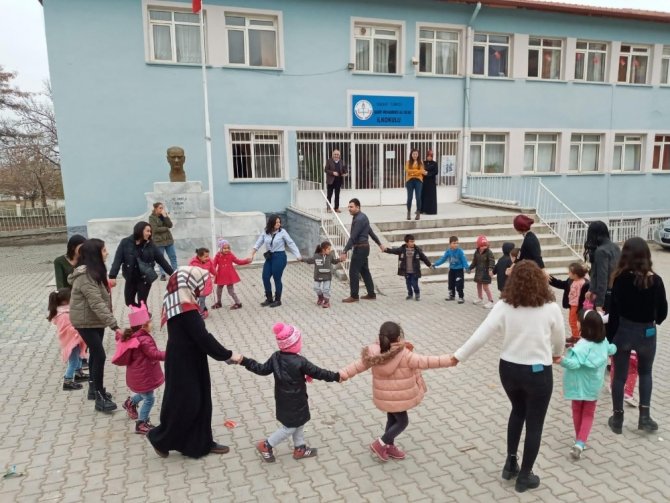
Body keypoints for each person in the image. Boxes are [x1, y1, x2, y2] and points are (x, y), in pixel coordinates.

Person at [452, 261, 565, 493]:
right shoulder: (551, 307)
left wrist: (458, 356)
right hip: (538, 372)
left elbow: (480, 335)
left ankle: (510, 463)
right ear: (540, 281)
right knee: (535, 424)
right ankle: (525, 476)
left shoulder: (504, 305)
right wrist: (557, 354)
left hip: (509, 370)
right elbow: (559, 338)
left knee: (518, 411)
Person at [147, 266, 242, 458]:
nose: (203, 287)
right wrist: (228, 355)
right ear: (189, 283)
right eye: (201, 283)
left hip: (186, 358)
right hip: (184, 363)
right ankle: (161, 439)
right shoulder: (186, 310)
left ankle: (199, 443)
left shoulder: (177, 302)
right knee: (189, 403)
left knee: (195, 401)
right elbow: (203, 338)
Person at [339, 321, 455, 462]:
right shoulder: (405, 355)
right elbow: (427, 361)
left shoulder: (373, 353)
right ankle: (380, 444)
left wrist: (342, 374)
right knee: (402, 422)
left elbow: (357, 366)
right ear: (399, 337)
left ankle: (389, 446)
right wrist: (451, 360)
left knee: (392, 419)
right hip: (398, 398)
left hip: (385, 397)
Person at [242, 322, 341, 462]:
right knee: (289, 427)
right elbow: (318, 372)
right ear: (293, 344)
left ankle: (300, 448)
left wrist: (245, 361)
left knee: (300, 422)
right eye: (299, 341)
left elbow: (262, 369)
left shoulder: (276, 357)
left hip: (284, 399)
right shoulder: (300, 361)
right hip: (295, 400)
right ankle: (266, 445)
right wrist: (336, 376)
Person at [607, 237, 667, 434]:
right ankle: (644, 417)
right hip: (646, 333)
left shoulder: (619, 279)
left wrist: (610, 338)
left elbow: (614, 312)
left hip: (623, 331)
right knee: (646, 373)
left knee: (619, 376)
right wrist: (653, 320)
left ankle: (617, 418)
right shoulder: (655, 280)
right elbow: (663, 312)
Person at [69, 238, 123, 412]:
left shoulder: (95, 271)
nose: (107, 253)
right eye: (104, 250)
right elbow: (97, 303)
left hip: (95, 320)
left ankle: (93, 389)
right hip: (84, 321)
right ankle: (99, 396)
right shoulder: (85, 276)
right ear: (95, 254)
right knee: (99, 355)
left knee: (95, 353)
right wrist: (115, 326)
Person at [560, 310, 616, 460]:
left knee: (577, 410)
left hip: (578, 386)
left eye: (579, 321)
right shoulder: (603, 343)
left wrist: (561, 360)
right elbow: (611, 349)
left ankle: (579, 438)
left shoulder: (582, 346)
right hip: (593, 386)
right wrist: (615, 348)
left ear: (585, 326)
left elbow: (574, 364)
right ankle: (580, 442)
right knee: (589, 413)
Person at [113, 302, 165, 435]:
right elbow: (154, 354)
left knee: (145, 393)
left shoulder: (134, 335)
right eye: (150, 322)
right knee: (149, 398)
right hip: (143, 375)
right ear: (143, 325)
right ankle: (141, 423)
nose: (152, 324)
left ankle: (130, 403)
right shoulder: (144, 340)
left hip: (138, 374)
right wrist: (171, 353)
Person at [109, 221, 174, 308]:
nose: (149, 233)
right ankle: (143, 314)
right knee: (129, 302)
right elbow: (117, 259)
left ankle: (143, 315)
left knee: (142, 302)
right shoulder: (125, 242)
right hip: (130, 277)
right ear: (140, 230)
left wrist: (173, 274)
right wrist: (112, 276)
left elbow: (162, 261)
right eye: (147, 231)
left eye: (150, 231)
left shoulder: (151, 245)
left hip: (145, 278)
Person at [251, 215, 302, 308]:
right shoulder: (266, 232)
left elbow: (291, 243)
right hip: (269, 257)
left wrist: (297, 255)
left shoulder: (283, 232)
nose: (278, 224)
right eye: (276, 222)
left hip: (280, 257)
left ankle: (278, 300)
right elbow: (258, 243)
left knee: (276, 278)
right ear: (272, 223)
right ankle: (269, 298)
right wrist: (252, 254)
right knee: (265, 277)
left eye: (279, 222)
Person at [340, 199, 383, 303]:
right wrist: (379, 244)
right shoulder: (363, 217)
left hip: (360, 248)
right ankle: (371, 294)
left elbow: (353, 237)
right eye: (349, 207)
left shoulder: (359, 219)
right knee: (364, 271)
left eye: (351, 207)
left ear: (358, 207)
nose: (349, 209)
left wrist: (344, 251)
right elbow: (370, 232)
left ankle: (354, 296)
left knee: (353, 272)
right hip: (364, 248)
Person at [583, 221, 620, 341]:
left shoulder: (601, 251)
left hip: (606, 297)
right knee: (613, 330)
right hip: (616, 293)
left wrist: (599, 304)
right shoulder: (615, 247)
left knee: (602, 333)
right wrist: (591, 289)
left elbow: (602, 278)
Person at [47, 288, 88, 391]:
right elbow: (66, 329)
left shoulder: (67, 311)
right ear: (65, 301)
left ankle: (78, 374)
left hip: (76, 339)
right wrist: (79, 329)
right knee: (73, 361)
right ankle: (67, 381)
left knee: (79, 356)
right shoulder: (63, 315)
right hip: (71, 341)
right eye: (71, 297)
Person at [549, 263, 589, 344]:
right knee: (572, 321)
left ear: (575, 275)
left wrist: (581, 309)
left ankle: (577, 338)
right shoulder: (570, 280)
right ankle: (575, 336)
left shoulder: (584, 283)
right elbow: (561, 284)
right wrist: (550, 279)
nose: (568, 273)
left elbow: (585, 298)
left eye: (569, 272)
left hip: (577, 306)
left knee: (573, 321)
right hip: (572, 305)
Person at [383, 234, 432, 301]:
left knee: (414, 284)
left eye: (413, 241)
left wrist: (429, 265)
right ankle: (410, 294)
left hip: (415, 271)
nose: (412, 243)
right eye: (411, 242)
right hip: (406, 271)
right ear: (406, 242)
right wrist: (386, 250)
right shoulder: (402, 249)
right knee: (408, 284)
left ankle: (417, 294)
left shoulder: (417, 250)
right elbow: (394, 251)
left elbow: (424, 258)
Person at [213, 239, 251, 310]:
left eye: (228, 248)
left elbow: (238, 261)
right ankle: (219, 302)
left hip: (229, 276)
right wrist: (211, 273)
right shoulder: (218, 256)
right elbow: (213, 265)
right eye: (224, 248)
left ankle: (238, 303)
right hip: (220, 275)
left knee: (230, 291)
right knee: (218, 290)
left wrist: (246, 261)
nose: (226, 250)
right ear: (220, 248)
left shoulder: (230, 255)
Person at [303, 241, 341, 309]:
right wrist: (302, 259)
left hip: (327, 276)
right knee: (316, 288)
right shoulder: (316, 256)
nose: (330, 250)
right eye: (328, 249)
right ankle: (321, 297)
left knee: (326, 289)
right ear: (323, 249)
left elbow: (334, 261)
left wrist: (340, 259)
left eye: (330, 249)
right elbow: (309, 260)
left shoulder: (330, 256)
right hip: (318, 275)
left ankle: (326, 302)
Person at [433, 235, 469, 303]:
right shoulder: (448, 251)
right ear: (450, 244)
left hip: (459, 270)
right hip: (452, 270)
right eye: (454, 243)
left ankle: (461, 297)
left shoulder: (460, 251)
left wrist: (467, 268)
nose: (456, 245)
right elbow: (443, 259)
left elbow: (464, 260)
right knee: (451, 284)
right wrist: (435, 264)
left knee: (459, 284)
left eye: (457, 243)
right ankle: (452, 296)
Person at [149, 202, 178, 281]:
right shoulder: (151, 218)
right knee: (160, 258)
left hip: (168, 240)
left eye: (162, 208)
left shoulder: (164, 216)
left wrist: (165, 217)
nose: (162, 209)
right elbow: (155, 229)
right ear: (155, 209)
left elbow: (170, 225)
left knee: (173, 257)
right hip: (159, 241)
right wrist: (166, 228)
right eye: (160, 208)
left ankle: (175, 273)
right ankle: (163, 274)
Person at [469, 235, 496, 309]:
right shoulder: (476, 252)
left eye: (485, 245)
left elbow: (492, 261)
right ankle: (480, 298)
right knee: (478, 285)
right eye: (482, 246)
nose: (484, 247)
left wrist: (490, 269)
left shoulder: (489, 252)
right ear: (478, 246)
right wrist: (470, 268)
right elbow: (474, 261)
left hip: (486, 273)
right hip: (478, 272)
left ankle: (491, 301)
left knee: (485, 287)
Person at [189, 247, 215, 318]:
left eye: (208, 256)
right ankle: (203, 309)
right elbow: (190, 272)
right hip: (197, 284)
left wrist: (217, 274)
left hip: (206, 284)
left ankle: (201, 312)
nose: (208, 258)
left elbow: (213, 270)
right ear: (199, 256)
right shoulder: (193, 263)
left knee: (201, 299)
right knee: (198, 299)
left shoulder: (209, 261)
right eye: (205, 256)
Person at [405, 148, 427, 221]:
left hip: (418, 181)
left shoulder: (420, 162)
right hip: (409, 181)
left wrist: (413, 172)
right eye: (413, 154)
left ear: (418, 155)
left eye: (416, 154)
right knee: (409, 197)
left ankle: (418, 213)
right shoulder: (408, 162)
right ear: (411, 155)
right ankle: (408, 212)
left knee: (418, 197)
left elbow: (422, 171)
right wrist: (418, 171)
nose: (415, 155)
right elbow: (407, 170)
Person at [420, 150, 438, 215]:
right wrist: (423, 172)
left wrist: (428, 173)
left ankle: (430, 211)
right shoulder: (423, 162)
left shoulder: (434, 163)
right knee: (423, 195)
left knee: (430, 196)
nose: (429, 157)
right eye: (428, 156)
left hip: (431, 182)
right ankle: (422, 210)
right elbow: (421, 169)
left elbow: (436, 172)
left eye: (431, 156)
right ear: (426, 156)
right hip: (424, 181)